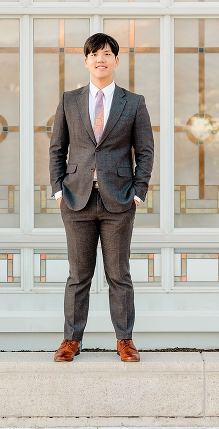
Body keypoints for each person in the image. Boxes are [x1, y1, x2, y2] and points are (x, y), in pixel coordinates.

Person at [49, 33, 154, 362]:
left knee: (118, 274)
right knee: (78, 274)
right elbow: (57, 149)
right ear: (86, 61)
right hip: (76, 199)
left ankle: (125, 340)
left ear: (116, 61)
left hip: (119, 201)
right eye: (94, 54)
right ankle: (71, 340)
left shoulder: (133, 102)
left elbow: (145, 152)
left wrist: (138, 192)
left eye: (107, 53)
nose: (100, 59)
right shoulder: (69, 100)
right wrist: (57, 190)